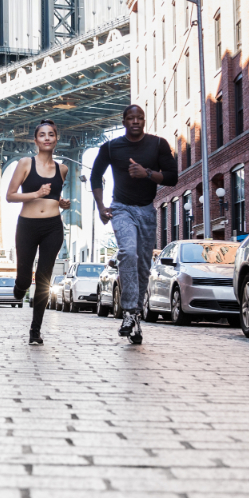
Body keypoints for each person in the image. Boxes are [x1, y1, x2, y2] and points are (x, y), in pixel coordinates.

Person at [91, 104, 178, 344]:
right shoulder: (110, 147)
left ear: (144, 120)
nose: (136, 121)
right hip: (121, 208)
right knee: (128, 253)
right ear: (124, 121)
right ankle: (129, 312)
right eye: (131, 118)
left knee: (142, 267)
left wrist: (147, 173)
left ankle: (135, 315)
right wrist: (101, 206)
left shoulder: (158, 144)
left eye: (140, 117)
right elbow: (95, 175)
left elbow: (172, 177)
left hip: (147, 210)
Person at [5, 120, 71, 345]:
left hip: (53, 227)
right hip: (27, 225)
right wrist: (36, 193)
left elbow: (52, 197)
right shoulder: (25, 163)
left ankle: (35, 330)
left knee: (44, 279)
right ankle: (21, 285)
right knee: (25, 278)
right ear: (35, 141)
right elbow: (11, 195)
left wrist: (61, 203)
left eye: (51, 134)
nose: (46, 138)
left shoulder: (63, 169)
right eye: (42, 135)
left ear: (56, 139)